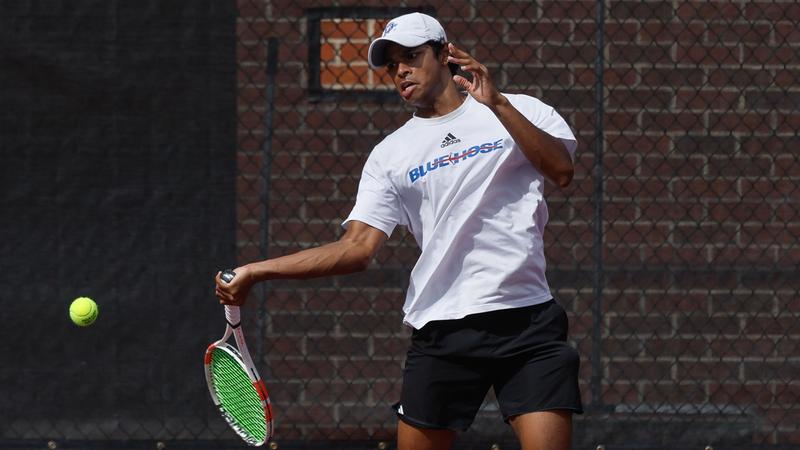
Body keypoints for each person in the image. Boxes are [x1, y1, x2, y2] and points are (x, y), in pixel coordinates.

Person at [215, 12, 582, 450]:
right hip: (442, 328)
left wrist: (498, 104)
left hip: (527, 324)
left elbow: (561, 171)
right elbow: (357, 248)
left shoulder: (519, 108)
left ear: (445, 54)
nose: (400, 71)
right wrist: (258, 270)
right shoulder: (390, 154)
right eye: (391, 65)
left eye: (411, 57)